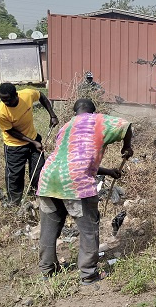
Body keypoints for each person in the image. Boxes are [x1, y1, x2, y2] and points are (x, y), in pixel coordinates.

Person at [37, 98, 133, 284]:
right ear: (93, 111)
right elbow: (126, 125)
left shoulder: (66, 127)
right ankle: (88, 274)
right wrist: (127, 146)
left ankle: (47, 270)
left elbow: (73, 159)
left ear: (75, 113)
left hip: (48, 179)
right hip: (76, 184)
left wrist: (107, 172)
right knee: (88, 229)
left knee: (49, 229)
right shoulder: (98, 120)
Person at [0, 82, 59, 205]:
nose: (5, 103)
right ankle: (14, 202)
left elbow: (41, 96)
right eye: (2, 100)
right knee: (15, 175)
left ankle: (37, 195)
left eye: (8, 100)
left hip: (33, 139)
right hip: (14, 145)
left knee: (38, 169)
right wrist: (33, 142)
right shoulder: (1, 112)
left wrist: (52, 115)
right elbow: (10, 131)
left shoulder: (27, 95)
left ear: (16, 95)